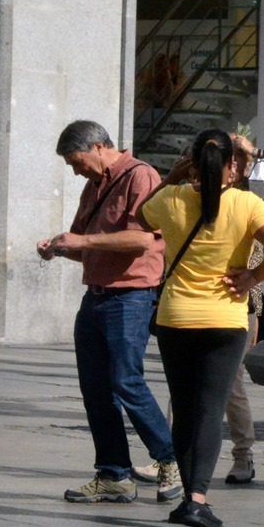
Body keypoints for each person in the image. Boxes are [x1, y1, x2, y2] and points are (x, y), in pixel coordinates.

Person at [141, 128, 264, 527]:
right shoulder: (245, 203)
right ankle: (197, 499)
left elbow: (141, 215)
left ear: (192, 163)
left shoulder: (171, 199)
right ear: (232, 167)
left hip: (176, 318)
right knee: (209, 411)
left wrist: (174, 177)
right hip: (225, 319)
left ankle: (187, 494)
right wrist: (251, 277)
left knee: (185, 409)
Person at [39, 121, 180, 505]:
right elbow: (85, 245)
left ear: (99, 147)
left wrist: (82, 240)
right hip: (95, 297)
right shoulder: (94, 186)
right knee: (96, 389)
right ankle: (114, 474)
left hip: (130, 297)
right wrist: (58, 247)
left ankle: (171, 460)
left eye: (77, 161)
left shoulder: (142, 176)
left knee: (125, 380)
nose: (75, 170)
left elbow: (142, 239)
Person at [221, 134, 264, 486]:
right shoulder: (201, 192)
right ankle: (169, 458)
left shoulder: (254, 192)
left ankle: (243, 455)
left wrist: (250, 150)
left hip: (243, 298)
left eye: (236, 159)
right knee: (185, 383)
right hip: (203, 297)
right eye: (226, 158)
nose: (231, 165)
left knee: (231, 384)